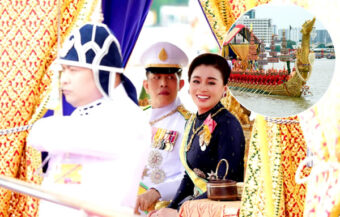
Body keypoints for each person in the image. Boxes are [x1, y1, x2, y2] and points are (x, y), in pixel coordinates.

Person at [27, 23, 149, 216]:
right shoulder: (85, 115)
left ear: (105, 72)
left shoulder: (127, 119)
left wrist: (39, 127)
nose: (64, 79)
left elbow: (39, 134)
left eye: (73, 70)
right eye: (64, 70)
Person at [149, 53, 245, 217]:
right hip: (195, 207)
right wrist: (170, 209)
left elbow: (225, 187)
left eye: (211, 82)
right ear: (188, 86)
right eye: (196, 81)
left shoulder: (228, 124)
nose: (202, 88)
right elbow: (189, 177)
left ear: (225, 89)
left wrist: (179, 212)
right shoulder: (193, 121)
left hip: (218, 210)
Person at [134, 42, 191, 215]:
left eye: (170, 77)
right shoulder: (136, 118)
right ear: (146, 85)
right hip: (130, 203)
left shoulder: (189, 124)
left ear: (180, 84)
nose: (163, 83)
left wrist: (157, 191)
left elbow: (190, 176)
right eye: (157, 77)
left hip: (165, 207)